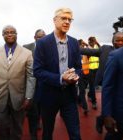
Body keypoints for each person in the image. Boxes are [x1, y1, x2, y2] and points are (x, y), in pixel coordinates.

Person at [33, 8, 81, 140]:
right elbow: (37, 71)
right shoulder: (42, 43)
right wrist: (61, 78)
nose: (67, 22)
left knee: (75, 134)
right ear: (55, 20)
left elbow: (78, 67)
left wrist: (75, 75)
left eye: (69, 19)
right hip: (49, 96)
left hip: (69, 96)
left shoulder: (74, 42)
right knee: (47, 133)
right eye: (63, 18)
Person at [0, 25, 35, 140]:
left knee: (17, 128)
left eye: (12, 32)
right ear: (3, 36)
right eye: (6, 32)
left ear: (16, 35)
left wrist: (28, 97)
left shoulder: (27, 53)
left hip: (19, 98)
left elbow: (31, 76)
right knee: (1, 126)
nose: (9, 34)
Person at [80, 31, 123, 133]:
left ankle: (101, 119)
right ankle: (103, 121)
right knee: (111, 107)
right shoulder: (105, 49)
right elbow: (89, 52)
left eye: (122, 40)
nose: (120, 43)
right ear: (113, 41)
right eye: (117, 40)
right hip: (108, 84)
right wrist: (71, 47)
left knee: (119, 108)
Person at [23, 29, 46, 140]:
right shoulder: (26, 47)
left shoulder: (50, 47)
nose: (41, 39)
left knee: (42, 107)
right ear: (34, 37)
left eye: (43, 37)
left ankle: (38, 120)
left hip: (45, 83)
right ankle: (33, 134)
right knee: (32, 108)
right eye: (39, 37)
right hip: (31, 83)